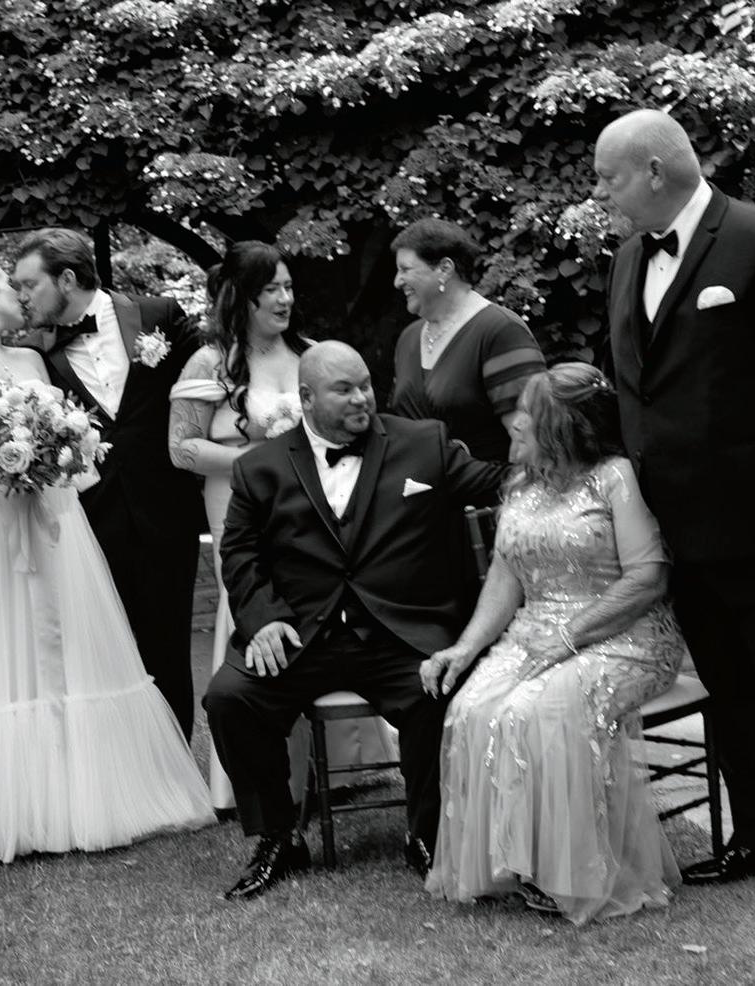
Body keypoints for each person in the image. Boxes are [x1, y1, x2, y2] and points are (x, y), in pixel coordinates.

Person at [0, 262, 213, 862]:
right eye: (12, 287)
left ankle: (82, 792)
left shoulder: (34, 360)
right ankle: (10, 806)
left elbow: (73, 448)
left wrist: (55, 457)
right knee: (1, 652)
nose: (23, 297)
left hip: (51, 525)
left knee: (67, 651)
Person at [593, 109, 755, 918]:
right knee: (728, 690)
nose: (600, 194)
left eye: (609, 178)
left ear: (654, 171)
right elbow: (633, 386)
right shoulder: (628, 256)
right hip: (672, 526)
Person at [205, 340, 503, 901]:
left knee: (437, 691)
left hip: (401, 632)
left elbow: (496, 482)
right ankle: (279, 836)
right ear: (307, 397)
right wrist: (264, 620)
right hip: (301, 635)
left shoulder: (425, 443)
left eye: (365, 384)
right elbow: (240, 555)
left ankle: (427, 834)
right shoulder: (259, 468)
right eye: (344, 389)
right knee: (230, 699)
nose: (362, 398)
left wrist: (569, 464)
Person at [423, 363, 685, 924]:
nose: (515, 422)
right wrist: (464, 649)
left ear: (565, 427)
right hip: (533, 636)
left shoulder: (614, 477)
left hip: (625, 636)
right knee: (471, 708)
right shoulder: (521, 485)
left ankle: (569, 874)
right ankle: (511, 864)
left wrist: (568, 638)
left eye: (528, 412)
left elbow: (647, 579)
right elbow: (505, 578)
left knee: (535, 711)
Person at [167, 241, 393, 812]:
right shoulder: (211, 363)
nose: (285, 299)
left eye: (289, 287)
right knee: (259, 603)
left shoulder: (312, 355)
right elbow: (180, 448)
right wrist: (259, 460)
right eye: (271, 289)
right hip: (240, 505)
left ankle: (340, 763)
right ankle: (270, 776)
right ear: (241, 296)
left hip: (319, 510)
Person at [14, 229, 205, 737]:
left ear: (67, 279)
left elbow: (207, 385)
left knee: (168, 645)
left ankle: (176, 764)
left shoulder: (159, 315)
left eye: (29, 285)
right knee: (107, 655)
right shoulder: (33, 355)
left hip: (167, 510)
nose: (22, 297)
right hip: (92, 522)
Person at [389, 218, 545, 462]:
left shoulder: (499, 330)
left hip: (491, 484)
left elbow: (532, 437)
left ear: (444, 269)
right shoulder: (408, 339)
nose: (397, 281)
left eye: (405, 269)